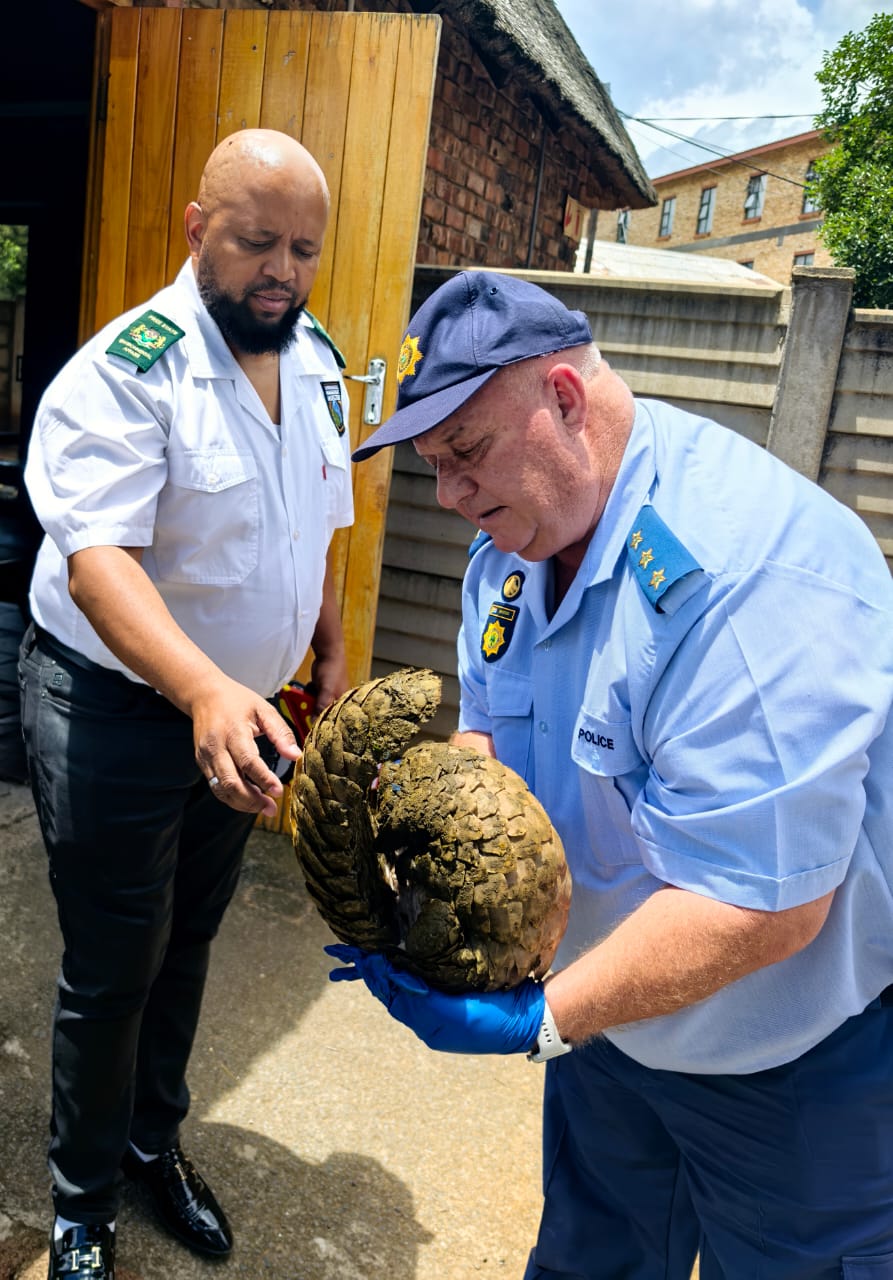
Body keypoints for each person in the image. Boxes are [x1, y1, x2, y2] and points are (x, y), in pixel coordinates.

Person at [331, 270, 893, 1279]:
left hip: (791, 1065)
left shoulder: (741, 581)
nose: (448, 496)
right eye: (431, 465)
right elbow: (491, 740)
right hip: (613, 1023)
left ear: (562, 397)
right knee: (587, 1262)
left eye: (465, 452)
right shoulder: (511, 552)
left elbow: (762, 904)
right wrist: (433, 844)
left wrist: (540, 1019)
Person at [19, 129, 353, 1280]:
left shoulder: (318, 362)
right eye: (257, 242)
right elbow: (96, 562)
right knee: (118, 957)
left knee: (190, 937)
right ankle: (80, 1198)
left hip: (242, 714)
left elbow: (318, 526)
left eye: (303, 249)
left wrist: (329, 652)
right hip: (112, 707)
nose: (281, 272)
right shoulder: (127, 371)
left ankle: (150, 1140)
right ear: (196, 228)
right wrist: (206, 685)